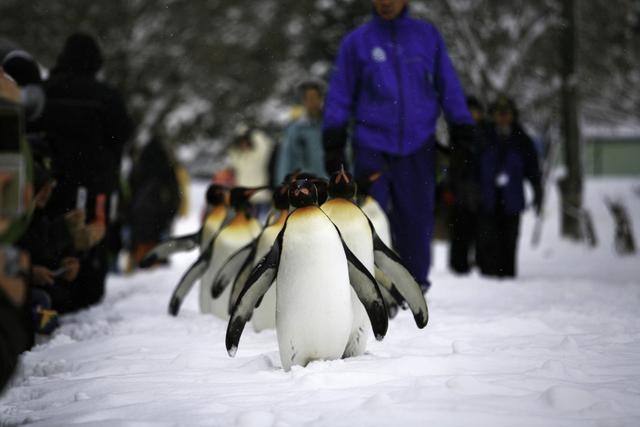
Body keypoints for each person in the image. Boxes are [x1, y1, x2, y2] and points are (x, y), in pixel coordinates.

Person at [322, 0, 476, 291]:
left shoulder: (426, 36)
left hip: (418, 145)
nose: (385, 3)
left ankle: (414, 287)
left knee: (416, 219)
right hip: (372, 146)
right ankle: (371, 286)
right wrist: (334, 138)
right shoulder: (357, 42)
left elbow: (449, 85)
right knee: (370, 218)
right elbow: (340, 94)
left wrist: (462, 127)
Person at [42, 33, 132, 307]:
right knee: (92, 236)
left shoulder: (45, 90)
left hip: (50, 184)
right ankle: (85, 289)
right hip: (96, 187)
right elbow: (123, 135)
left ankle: (50, 286)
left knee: (50, 235)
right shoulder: (106, 97)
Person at [476, 95, 542, 278]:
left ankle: (508, 280)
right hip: (487, 200)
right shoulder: (483, 137)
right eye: (499, 113)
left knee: (509, 242)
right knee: (487, 242)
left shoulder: (522, 140)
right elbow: (472, 167)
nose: (503, 117)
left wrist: (538, 191)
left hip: (512, 201)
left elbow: (533, 170)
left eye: (507, 113)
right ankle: (487, 280)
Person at [128, 136, 181, 267]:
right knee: (159, 249)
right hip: (160, 215)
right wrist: (172, 211)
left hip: (140, 214)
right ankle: (158, 265)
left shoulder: (139, 166)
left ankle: (140, 265)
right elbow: (175, 192)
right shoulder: (167, 168)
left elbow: (131, 188)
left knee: (141, 247)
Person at [448, 96, 485, 274]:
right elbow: (451, 166)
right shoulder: (457, 134)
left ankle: (481, 264)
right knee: (460, 232)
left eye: (474, 111)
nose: (471, 115)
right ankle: (458, 267)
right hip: (460, 192)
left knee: (481, 233)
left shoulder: (485, 134)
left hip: (479, 192)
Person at [274, 80, 326, 184]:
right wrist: (283, 186)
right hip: (305, 189)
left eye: (315, 97)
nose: (312, 102)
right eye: (308, 98)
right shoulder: (295, 129)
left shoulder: (333, 126)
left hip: (331, 188)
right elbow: (286, 159)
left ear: (321, 98)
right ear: (303, 101)